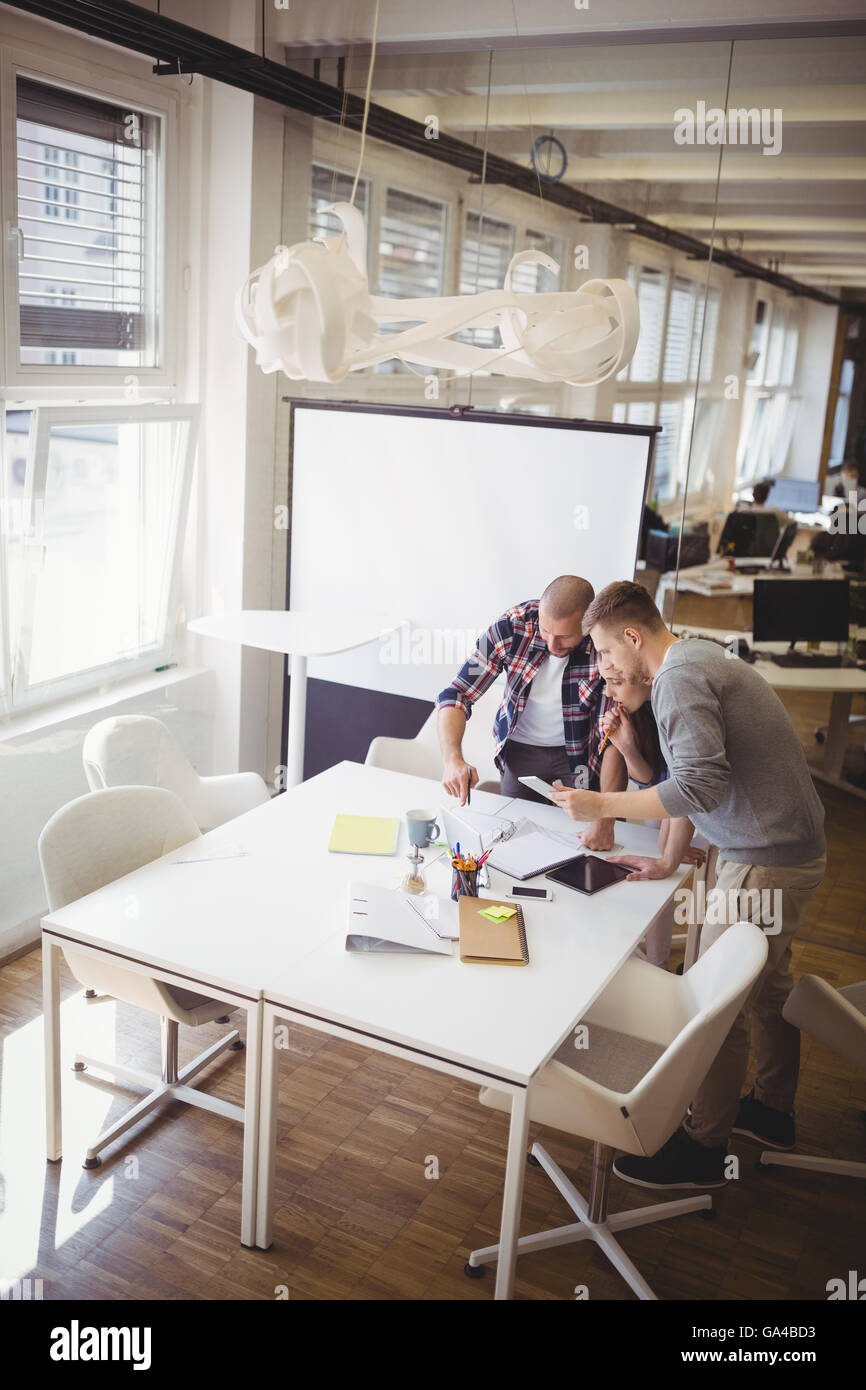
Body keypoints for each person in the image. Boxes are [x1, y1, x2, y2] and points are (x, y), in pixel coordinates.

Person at [548, 580, 826, 1189]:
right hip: (777, 847)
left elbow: (696, 788)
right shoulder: (699, 657)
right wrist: (670, 857)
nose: (601, 667)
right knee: (767, 987)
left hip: (763, 855)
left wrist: (602, 801)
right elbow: (702, 782)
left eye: (602, 652)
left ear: (631, 635)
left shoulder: (677, 678)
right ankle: (772, 1111)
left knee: (711, 1003)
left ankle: (703, 1145)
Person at [436, 575, 626, 851]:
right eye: (546, 631)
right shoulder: (511, 628)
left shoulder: (604, 645)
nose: (552, 645)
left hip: (581, 756)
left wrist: (606, 821)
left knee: (586, 845)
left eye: (564, 637)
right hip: (520, 755)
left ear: (587, 626)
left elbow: (614, 737)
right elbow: (457, 694)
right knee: (515, 844)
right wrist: (452, 760)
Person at [598, 675, 705, 968]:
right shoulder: (636, 708)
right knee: (658, 872)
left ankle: (693, 961)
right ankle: (659, 962)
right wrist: (626, 745)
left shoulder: (675, 706)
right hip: (670, 800)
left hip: (702, 807)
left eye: (615, 681)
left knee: (680, 877)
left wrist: (669, 847)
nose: (608, 691)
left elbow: (685, 789)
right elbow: (652, 782)